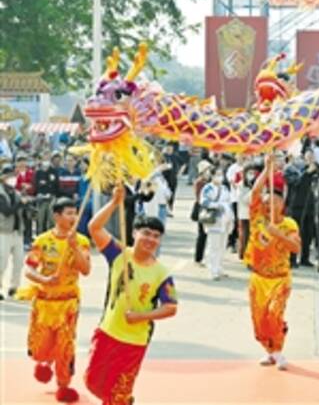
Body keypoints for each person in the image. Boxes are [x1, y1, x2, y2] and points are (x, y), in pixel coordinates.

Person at [85, 185, 178, 405]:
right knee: (93, 383)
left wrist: (140, 317)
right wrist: (114, 203)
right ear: (135, 233)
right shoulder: (118, 254)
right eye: (146, 233)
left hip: (134, 341)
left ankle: (120, 399)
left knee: (117, 393)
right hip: (107, 331)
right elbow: (94, 227)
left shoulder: (162, 272)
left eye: (156, 236)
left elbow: (171, 307)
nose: (151, 239)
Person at [24, 197, 91, 403]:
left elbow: (85, 270)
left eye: (75, 213)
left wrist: (74, 247)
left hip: (68, 303)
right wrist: (44, 279)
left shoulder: (81, 241)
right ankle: (45, 362)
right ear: (56, 216)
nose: (73, 217)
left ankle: (64, 384)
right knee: (41, 347)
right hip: (44, 302)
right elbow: (29, 269)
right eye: (69, 213)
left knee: (65, 345)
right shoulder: (42, 241)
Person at [244, 155, 301, 370]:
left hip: (280, 279)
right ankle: (270, 351)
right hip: (258, 277)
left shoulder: (289, 224)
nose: (269, 202)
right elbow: (255, 193)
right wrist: (267, 169)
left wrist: (278, 235)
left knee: (274, 315)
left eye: (275, 199)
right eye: (267, 199)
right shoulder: (257, 217)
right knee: (260, 321)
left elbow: (296, 248)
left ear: (282, 203)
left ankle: (278, 351)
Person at [200, 166, 233, 280]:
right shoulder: (208, 188)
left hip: (225, 220)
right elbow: (204, 202)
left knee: (222, 246)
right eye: (217, 174)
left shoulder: (224, 188)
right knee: (214, 246)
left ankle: (219, 268)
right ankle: (212, 270)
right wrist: (217, 205)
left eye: (221, 174)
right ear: (212, 176)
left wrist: (231, 218)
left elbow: (229, 203)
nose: (220, 177)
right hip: (214, 220)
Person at [0, 164, 27, 299]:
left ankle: (13, 287)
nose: (13, 179)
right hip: (3, 232)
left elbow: (22, 212)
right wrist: (21, 203)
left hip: (17, 232)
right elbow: (6, 211)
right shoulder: (1, 194)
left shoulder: (16, 193)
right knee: (2, 262)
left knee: (19, 261)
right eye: (9, 176)